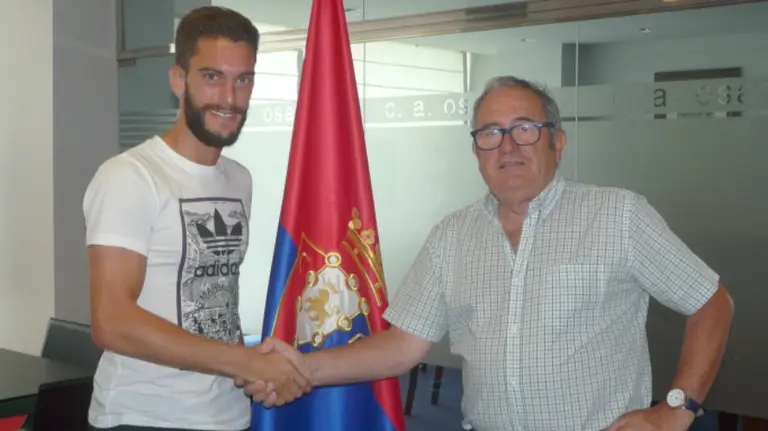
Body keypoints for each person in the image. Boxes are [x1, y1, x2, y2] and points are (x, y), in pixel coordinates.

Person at [244, 75, 735, 431]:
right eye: (490, 133)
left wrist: (677, 408)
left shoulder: (618, 215)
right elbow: (403, 346)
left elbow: (711, 303)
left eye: (525, 128)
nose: (507, 145)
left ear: (557, 142)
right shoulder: (451, 236)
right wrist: (305, 368)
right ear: (477, 151)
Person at [83, 7, 310, 431]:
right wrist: (242, 359)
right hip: (142, 417)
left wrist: (250, 365)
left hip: (226, 412)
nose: (229, 97)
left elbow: (214, 297)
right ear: (178, 79)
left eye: (243, 79)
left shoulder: (238, 179)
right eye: (212, 77)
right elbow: (111, 320)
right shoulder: (130, 177)